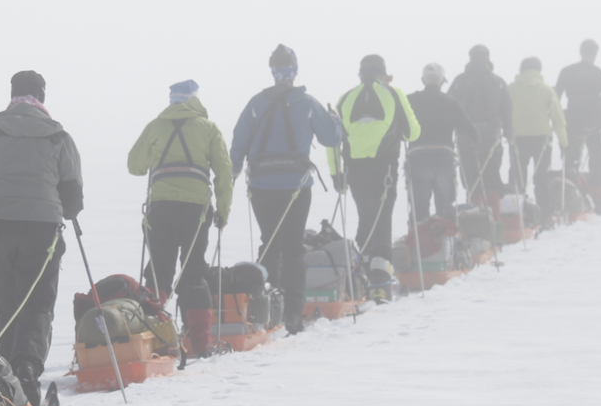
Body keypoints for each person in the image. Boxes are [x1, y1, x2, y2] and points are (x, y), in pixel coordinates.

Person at [0, 70, 83, 406]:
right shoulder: (58, 137)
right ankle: (26, 372)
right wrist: (66, 209)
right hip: (42, 228)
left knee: (8, 303)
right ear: (41, 97)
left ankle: (8, 378)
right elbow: (73, 196)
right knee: (38, 304)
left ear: (12, 95)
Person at [229, 45, 343, 333]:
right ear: (294, 71)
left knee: (269, 241)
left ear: (273, 71)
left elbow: (238, 142)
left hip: (261, 184)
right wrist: (336, 122)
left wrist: (230, 173)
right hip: (296, 183)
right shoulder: (306, 102)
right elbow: (331, 139)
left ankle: (265, 308)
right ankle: (292, 314)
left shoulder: (256, 103)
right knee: (292, 249)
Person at [127, 80, 234, 305]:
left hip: (160, 208)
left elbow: (135, 167)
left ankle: (154, 323)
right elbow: (224, 172)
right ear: (195, 99)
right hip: (197, 211)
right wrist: (223, 212)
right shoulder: (208, 128)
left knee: (159, 269)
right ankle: (196, 331)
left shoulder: (155, 126)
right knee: (193, 271)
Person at [328, 55, 421, 277]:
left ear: (361, 74)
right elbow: (413, 133)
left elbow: (332, 141)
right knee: (383, 219)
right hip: (385, 168)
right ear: (383, 74)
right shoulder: (394, 93)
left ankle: (361, 269)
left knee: (366, 217)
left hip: (354, 170)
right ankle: (381, 275)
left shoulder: (345, 98)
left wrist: (335, 174)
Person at [404, 63, 476, 223]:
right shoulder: (451, 102)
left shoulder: (409, 101)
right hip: (444, 157)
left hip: (417, 157)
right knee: (445, 206)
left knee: (418, 206)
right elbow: (468, 129)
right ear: (443, 81)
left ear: (423, 80)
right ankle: (445, 242)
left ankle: (418, 242)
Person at [448, 45, 513, 203]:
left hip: (465, 136)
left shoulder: (459, 81)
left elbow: (448, 107)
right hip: (491, 137)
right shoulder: (498, 82)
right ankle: (493, 213)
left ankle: (473, 211)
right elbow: (507, 111)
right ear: (488, 58)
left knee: (471, 178)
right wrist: (509, 134)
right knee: (491, 175)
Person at [555, 38, 601, 186]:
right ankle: (596, 187)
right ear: (595, 54)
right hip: (595, 122)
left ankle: (570, 188)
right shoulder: (600, 74)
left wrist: (556, 122)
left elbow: (556, 97)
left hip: (573, 120)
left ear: (581, 52)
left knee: (572, 155)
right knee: (599, 155)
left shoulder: (567, 71)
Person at [508, 56, 568, 202]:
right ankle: (545, 213)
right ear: (539, 70)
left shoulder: (510, 89)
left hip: (517, 138)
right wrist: (564, 143)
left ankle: (516, 211)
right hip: (542, 138)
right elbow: (558, 120)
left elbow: (502, 113)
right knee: (542, 177)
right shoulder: (547, 90)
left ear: (521, 69)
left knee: (517, 175)